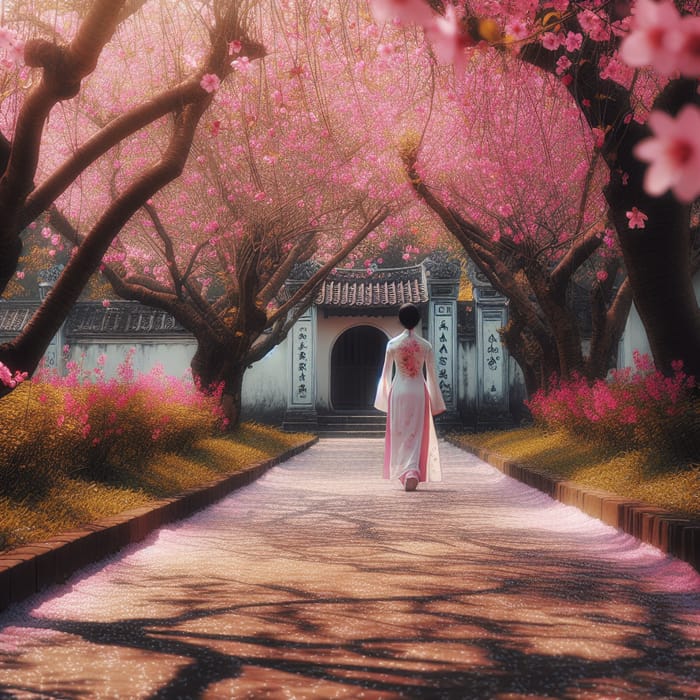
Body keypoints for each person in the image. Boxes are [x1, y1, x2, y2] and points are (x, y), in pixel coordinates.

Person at [374, 303, 446, 491]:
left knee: (400, 432)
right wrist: (436, 401)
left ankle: (405, 471)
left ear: (400, 320)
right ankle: (412, 470)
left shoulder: (392, 344)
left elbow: (386, 373)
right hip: (418, 391)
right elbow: (431, 374)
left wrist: (384, 397)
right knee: (416, 432)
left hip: (398, 391)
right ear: (418, 319)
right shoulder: (426, 346)